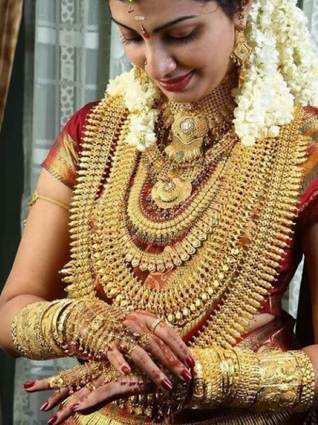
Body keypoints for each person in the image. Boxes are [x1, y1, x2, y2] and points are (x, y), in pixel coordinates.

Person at [0, 0, 318, 424]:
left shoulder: (303, 147)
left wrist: (198, 376)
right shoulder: (94, 136)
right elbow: (11, 310)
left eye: (182, 35)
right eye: (132, 38)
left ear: (240, 9)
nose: (158, 65)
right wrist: (79, 321)